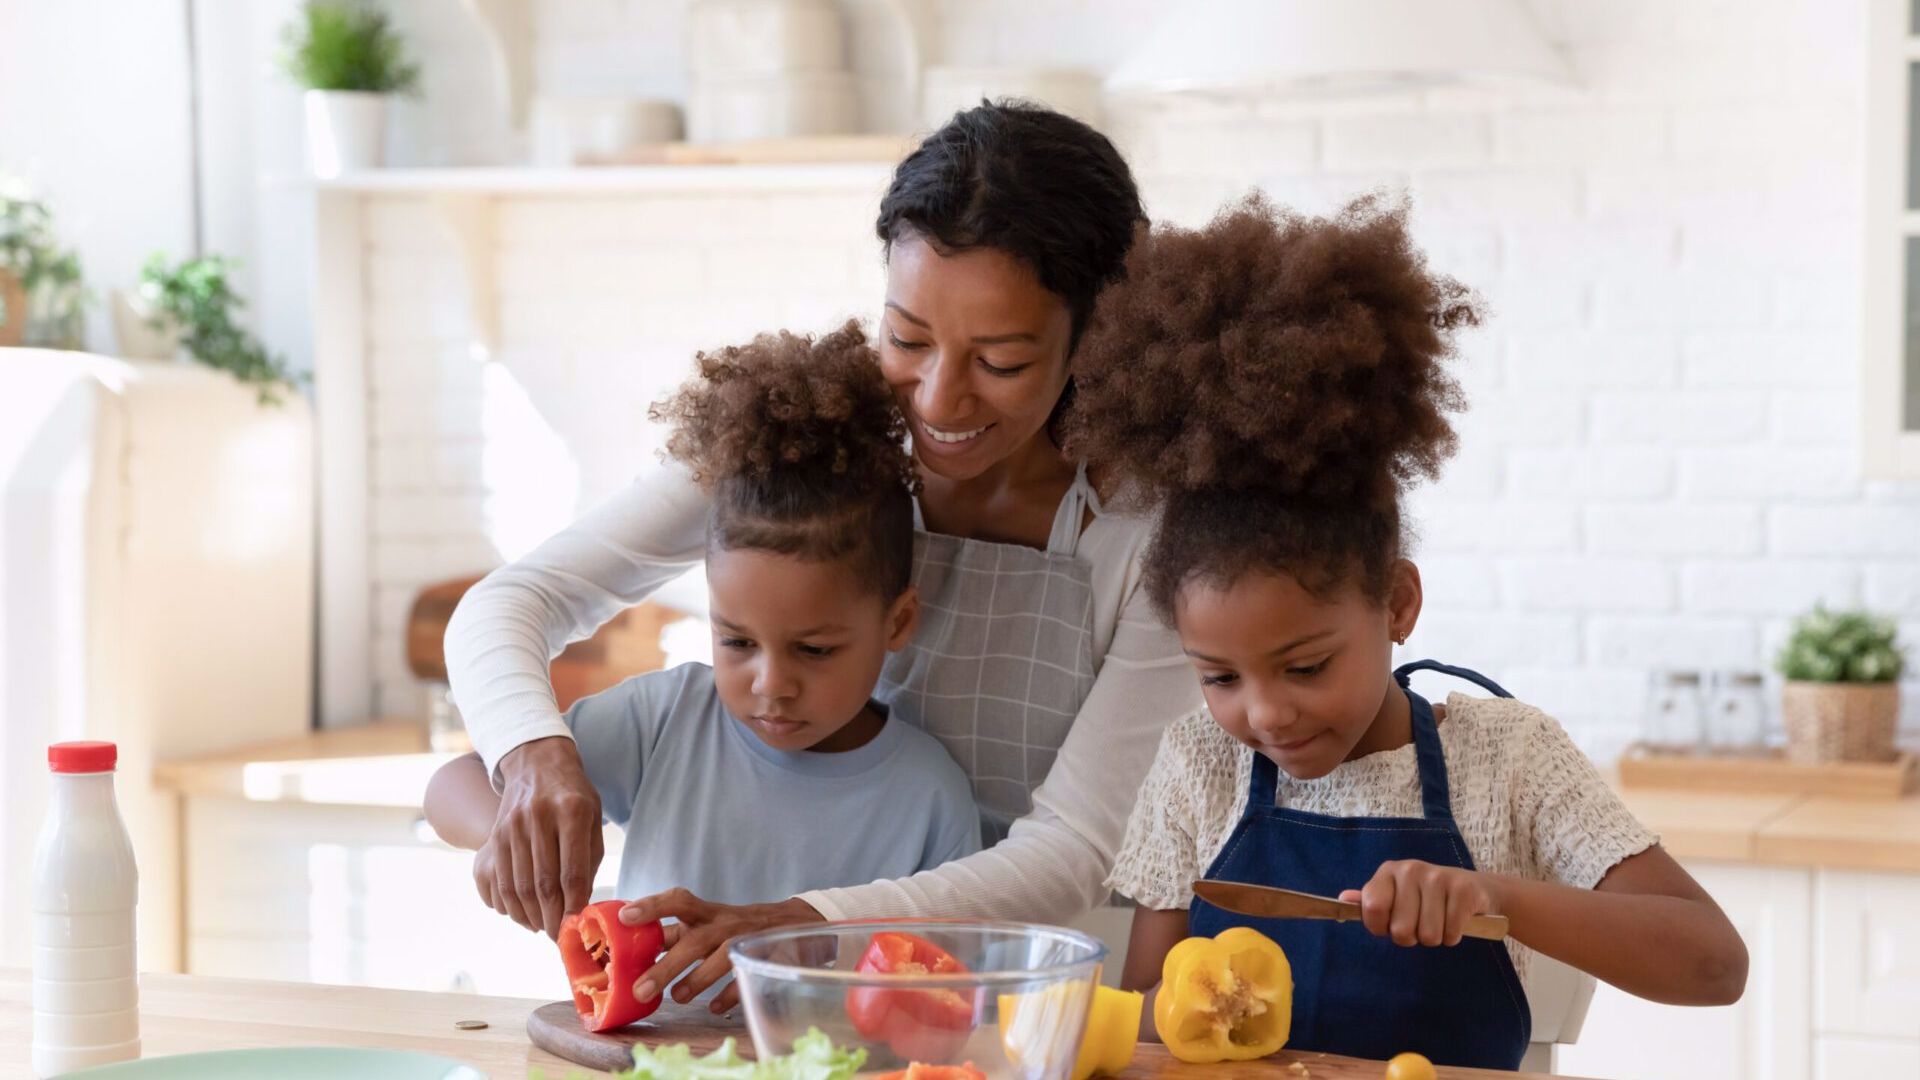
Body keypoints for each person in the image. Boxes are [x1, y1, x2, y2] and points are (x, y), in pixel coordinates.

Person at [442, 102, 1203, 1011]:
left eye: (999, 359)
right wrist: (533, 757)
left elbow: (1075, 851)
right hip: (783, 988)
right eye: (908, 338)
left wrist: (805, 925)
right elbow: (514, 600)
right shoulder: (807, 445)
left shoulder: (1155, 532)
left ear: (1094, 338)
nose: (937, 395)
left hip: (1028, 999)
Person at [1071, 196, 1748, 1070]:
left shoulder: (1507, 759)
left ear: (1396, 603)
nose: (1266, 713)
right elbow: (1149, 1034)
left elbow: (1713, 961)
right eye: (1221, 677)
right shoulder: (1198, 763)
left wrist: (1494, 898)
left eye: (1305, 664)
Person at [425, 323, 980, 922]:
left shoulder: (931, 795)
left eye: (814, 650)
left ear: (897, 623)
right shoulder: (665, 721)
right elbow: (450, 786)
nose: (771, 684)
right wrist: (509, 834)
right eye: (737, 641)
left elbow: (952, 973)